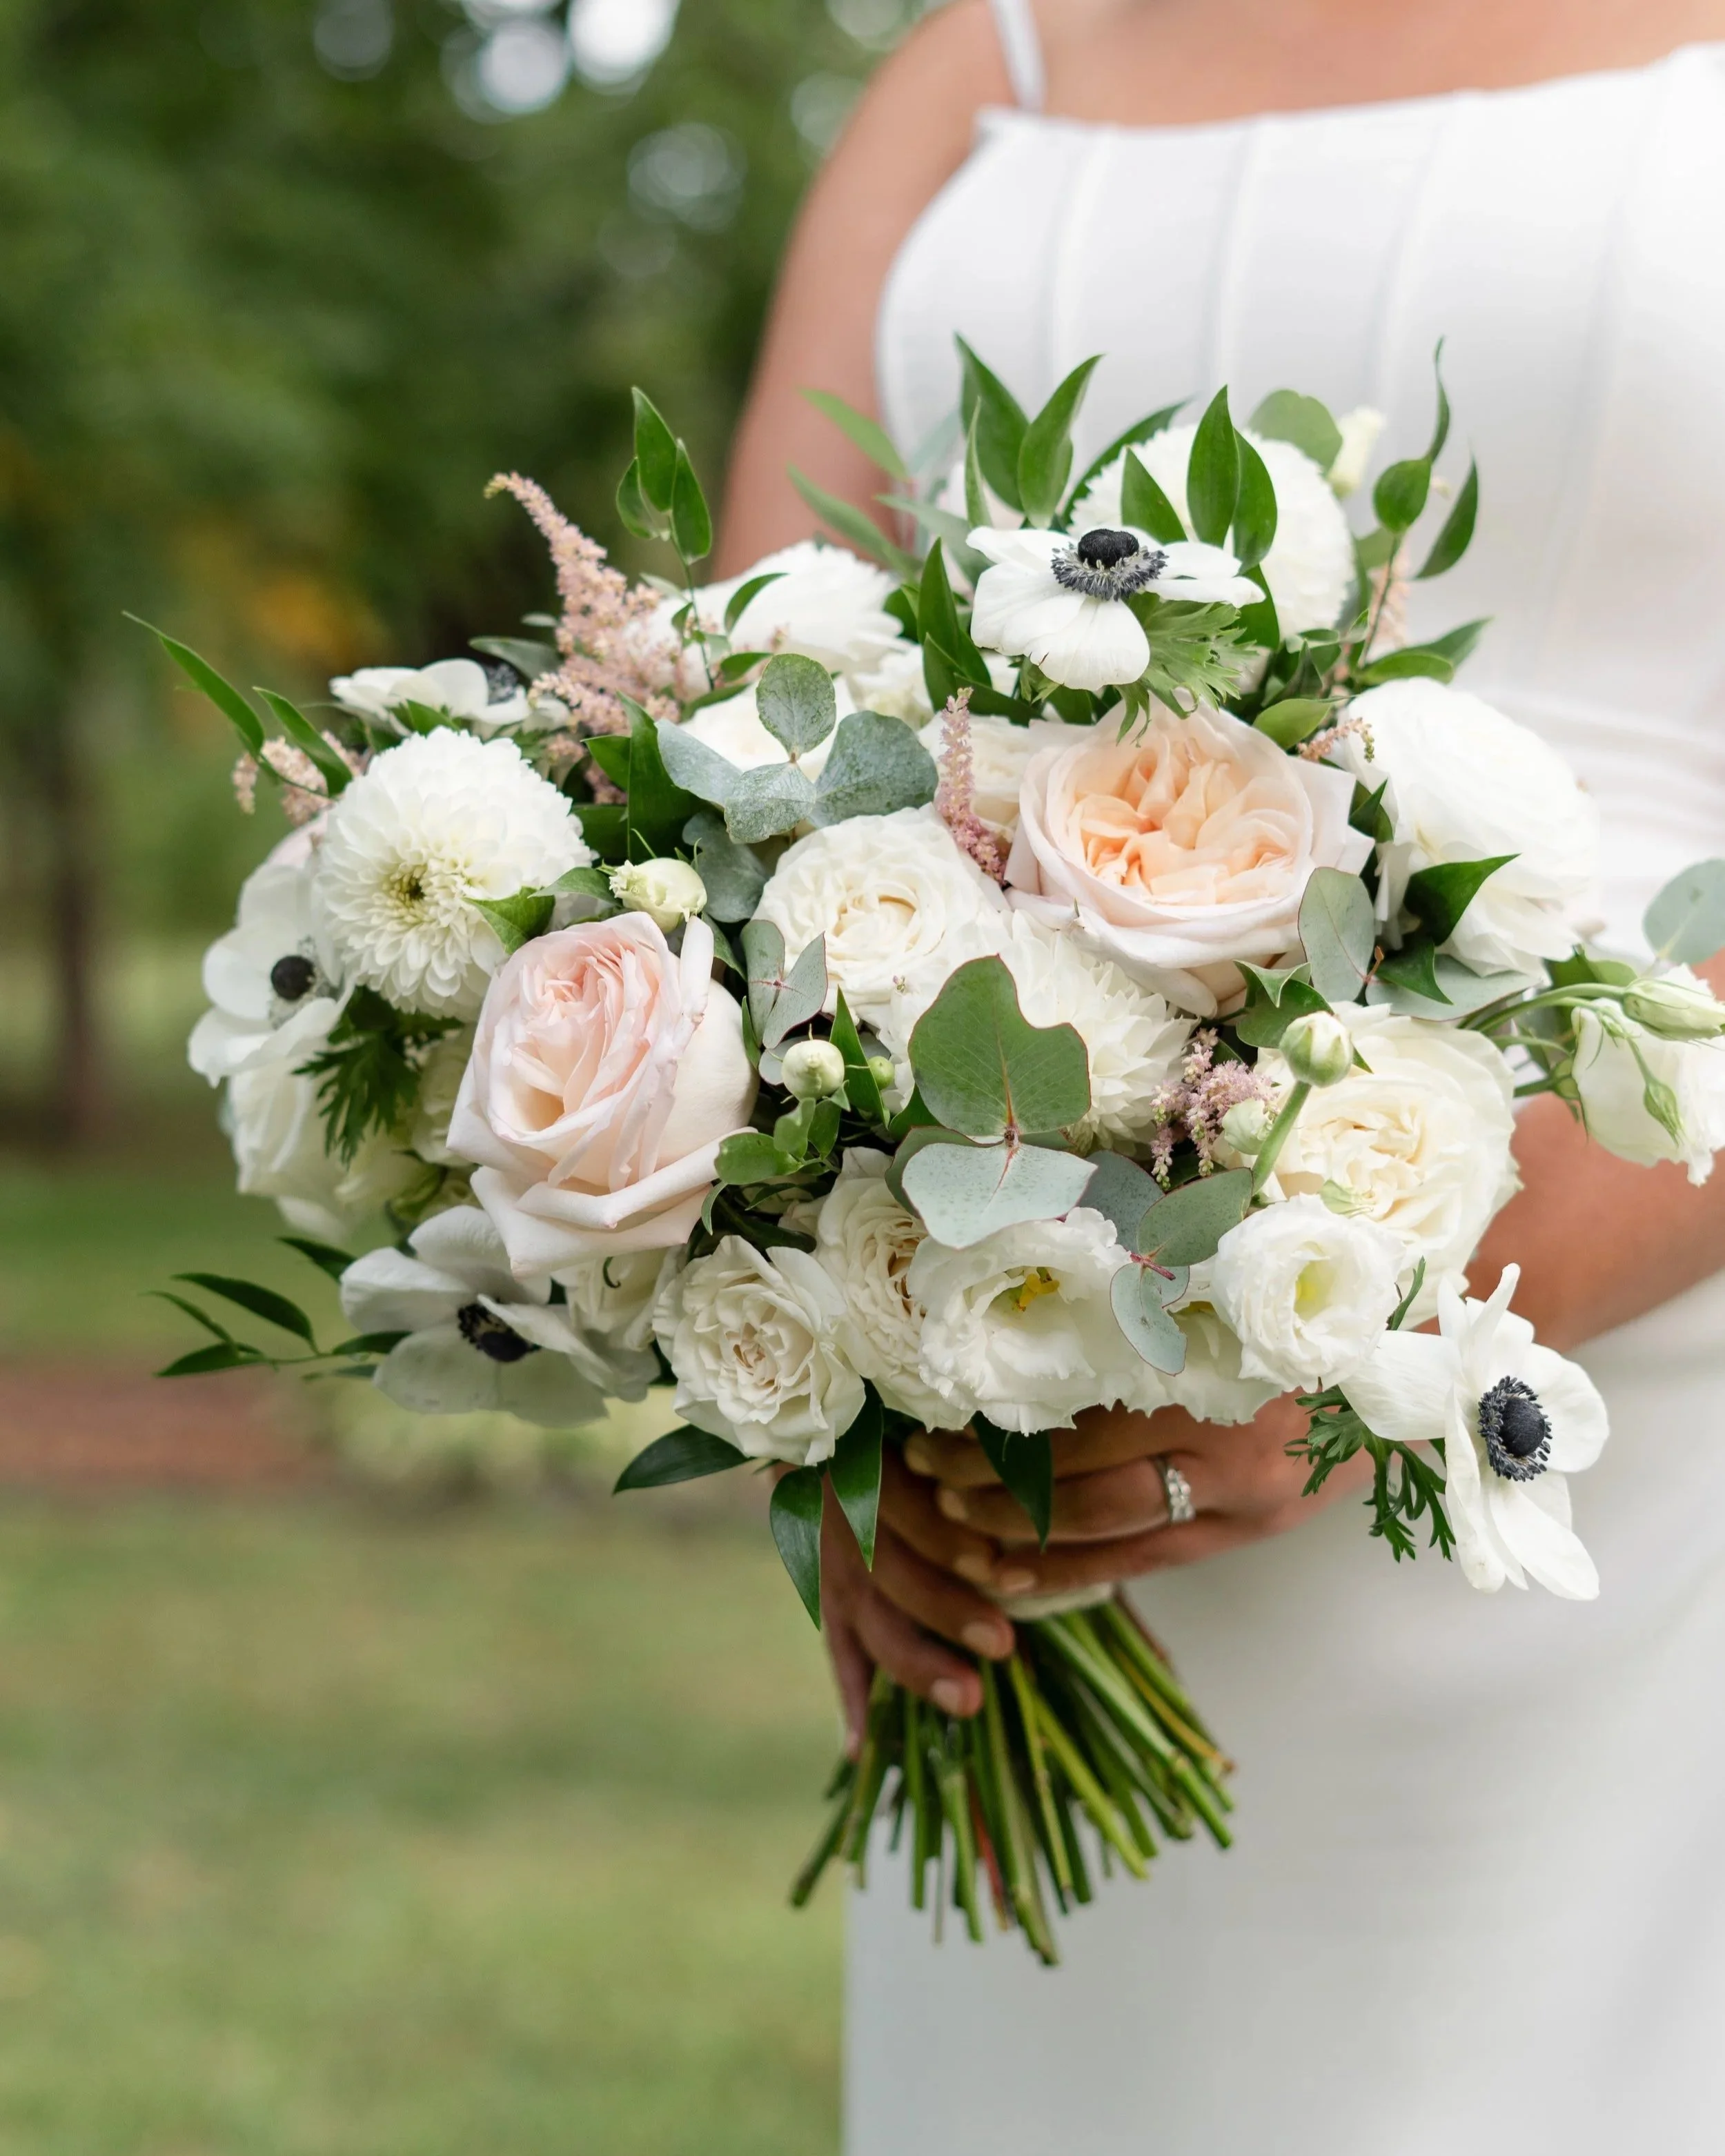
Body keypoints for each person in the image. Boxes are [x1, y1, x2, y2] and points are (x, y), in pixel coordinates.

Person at [718, 3, 1725, 2148]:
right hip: (1021, 1442)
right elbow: (747, 730)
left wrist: (1391, 1319)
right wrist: (834, 1338)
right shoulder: (979, 51)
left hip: (1657, 1391)